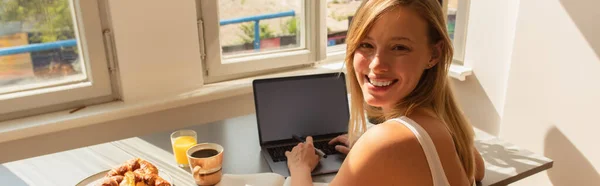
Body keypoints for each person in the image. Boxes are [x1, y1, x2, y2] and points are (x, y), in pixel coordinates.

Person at [284, 0, 485, 185]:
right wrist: (372, 156)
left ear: (434, 55)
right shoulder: (444, 123)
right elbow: (478, 170)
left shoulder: (383, 142)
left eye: (399, 47)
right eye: (366, 45)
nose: (377, 64)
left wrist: (300, 168)